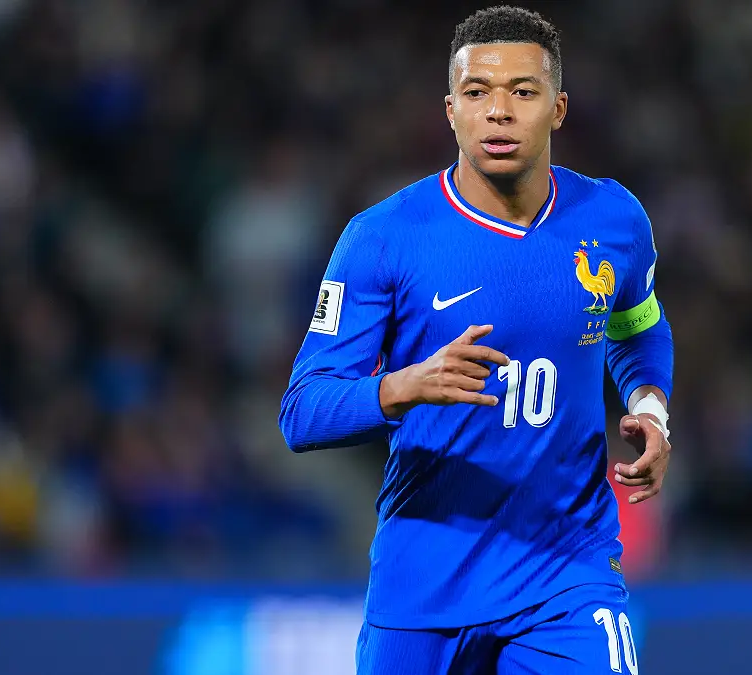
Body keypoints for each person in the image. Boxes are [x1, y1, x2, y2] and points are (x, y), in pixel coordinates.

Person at [278, 5, 673, 673]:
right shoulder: (383, 237)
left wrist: (652, 407)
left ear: (559, 108)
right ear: (451, 111)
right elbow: (302, 411)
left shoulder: (614, 220)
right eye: (477, 92)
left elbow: (638, 325)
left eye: (523, 91)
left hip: (565, 575)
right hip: (424, 582)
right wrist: (403, 386)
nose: (499, 111)